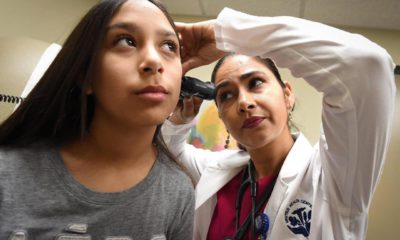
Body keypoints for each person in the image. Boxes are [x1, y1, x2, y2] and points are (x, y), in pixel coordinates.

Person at [162, 7, 396, 240]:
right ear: (222, 116)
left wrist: (224, 33)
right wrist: (180, 121)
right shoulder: (217, 172)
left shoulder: (333, 178)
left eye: (255, 83)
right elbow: (170, 153)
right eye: (226, 95)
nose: (244, 103)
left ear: (287, 95)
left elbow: (368, 65)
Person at [0, 0, 195, 239]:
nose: (154, 61)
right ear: (85, 74)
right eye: (126, 41)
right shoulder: (6, 172)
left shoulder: (177, 191)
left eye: (168, 46)